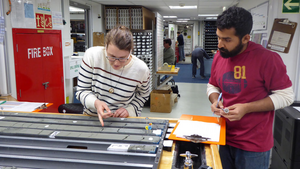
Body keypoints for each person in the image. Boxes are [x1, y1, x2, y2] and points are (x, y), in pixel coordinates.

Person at [207, 6, 294, 169]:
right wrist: (215, 101)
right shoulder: (220, 56)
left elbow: (286, 96)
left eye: (227, 40)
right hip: (224, 136)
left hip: (253, 145)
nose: (220, 45)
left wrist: (247, 108)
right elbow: (213, 85)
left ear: (246, 38)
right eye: (218, 38)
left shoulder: (268, 59)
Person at [76, 25, 151, 126]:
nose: (116, 63)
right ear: (105, 46)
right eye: (112, 56)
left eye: (122, 58)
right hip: (92, 118)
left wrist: (130, 109)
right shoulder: (92, 56)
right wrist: (96, 103)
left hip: (124, 121)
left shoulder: (141, 69)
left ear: (130, 52)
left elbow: (143, 95)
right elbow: (82, 90)